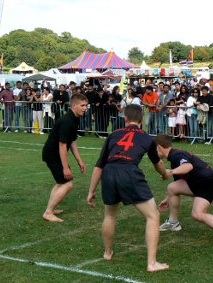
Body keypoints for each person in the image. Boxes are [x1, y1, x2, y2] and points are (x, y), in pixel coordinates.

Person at [86, 104, 169, 272]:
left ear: (125, 119)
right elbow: (157, 163)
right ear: (142, 120)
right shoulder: (146, 137)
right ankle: (152, 263)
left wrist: (91, 190)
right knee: (153, 216)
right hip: (129, 172)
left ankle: (107, 253)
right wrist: (165, 173)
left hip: (109, 173)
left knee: (109, 216)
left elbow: (99, 166)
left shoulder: (114, 134)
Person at [153, 134, 213, 247]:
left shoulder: (176, 155)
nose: (153, 153)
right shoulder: (174, 157)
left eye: (154, 149)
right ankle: (173, 222)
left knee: (197, 213)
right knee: (172, 187)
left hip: (208, 183)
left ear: (160, 147)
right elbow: (178, 182)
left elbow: (188, 166)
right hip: (200, 183)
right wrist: (168, 199)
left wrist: (170, 172)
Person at [41, 93, 89, 222]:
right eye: (82, 105)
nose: (85, 108)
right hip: (52, 154)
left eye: (86, 105)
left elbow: (72, 141)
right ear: (74, 105)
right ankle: (48, 212)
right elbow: (62, 144)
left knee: (61, 183)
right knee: (67, 184)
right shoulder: (67, 121)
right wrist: (66, 168)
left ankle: (51, 209)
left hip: (55, 154)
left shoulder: (75, 118)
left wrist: (80, 161)